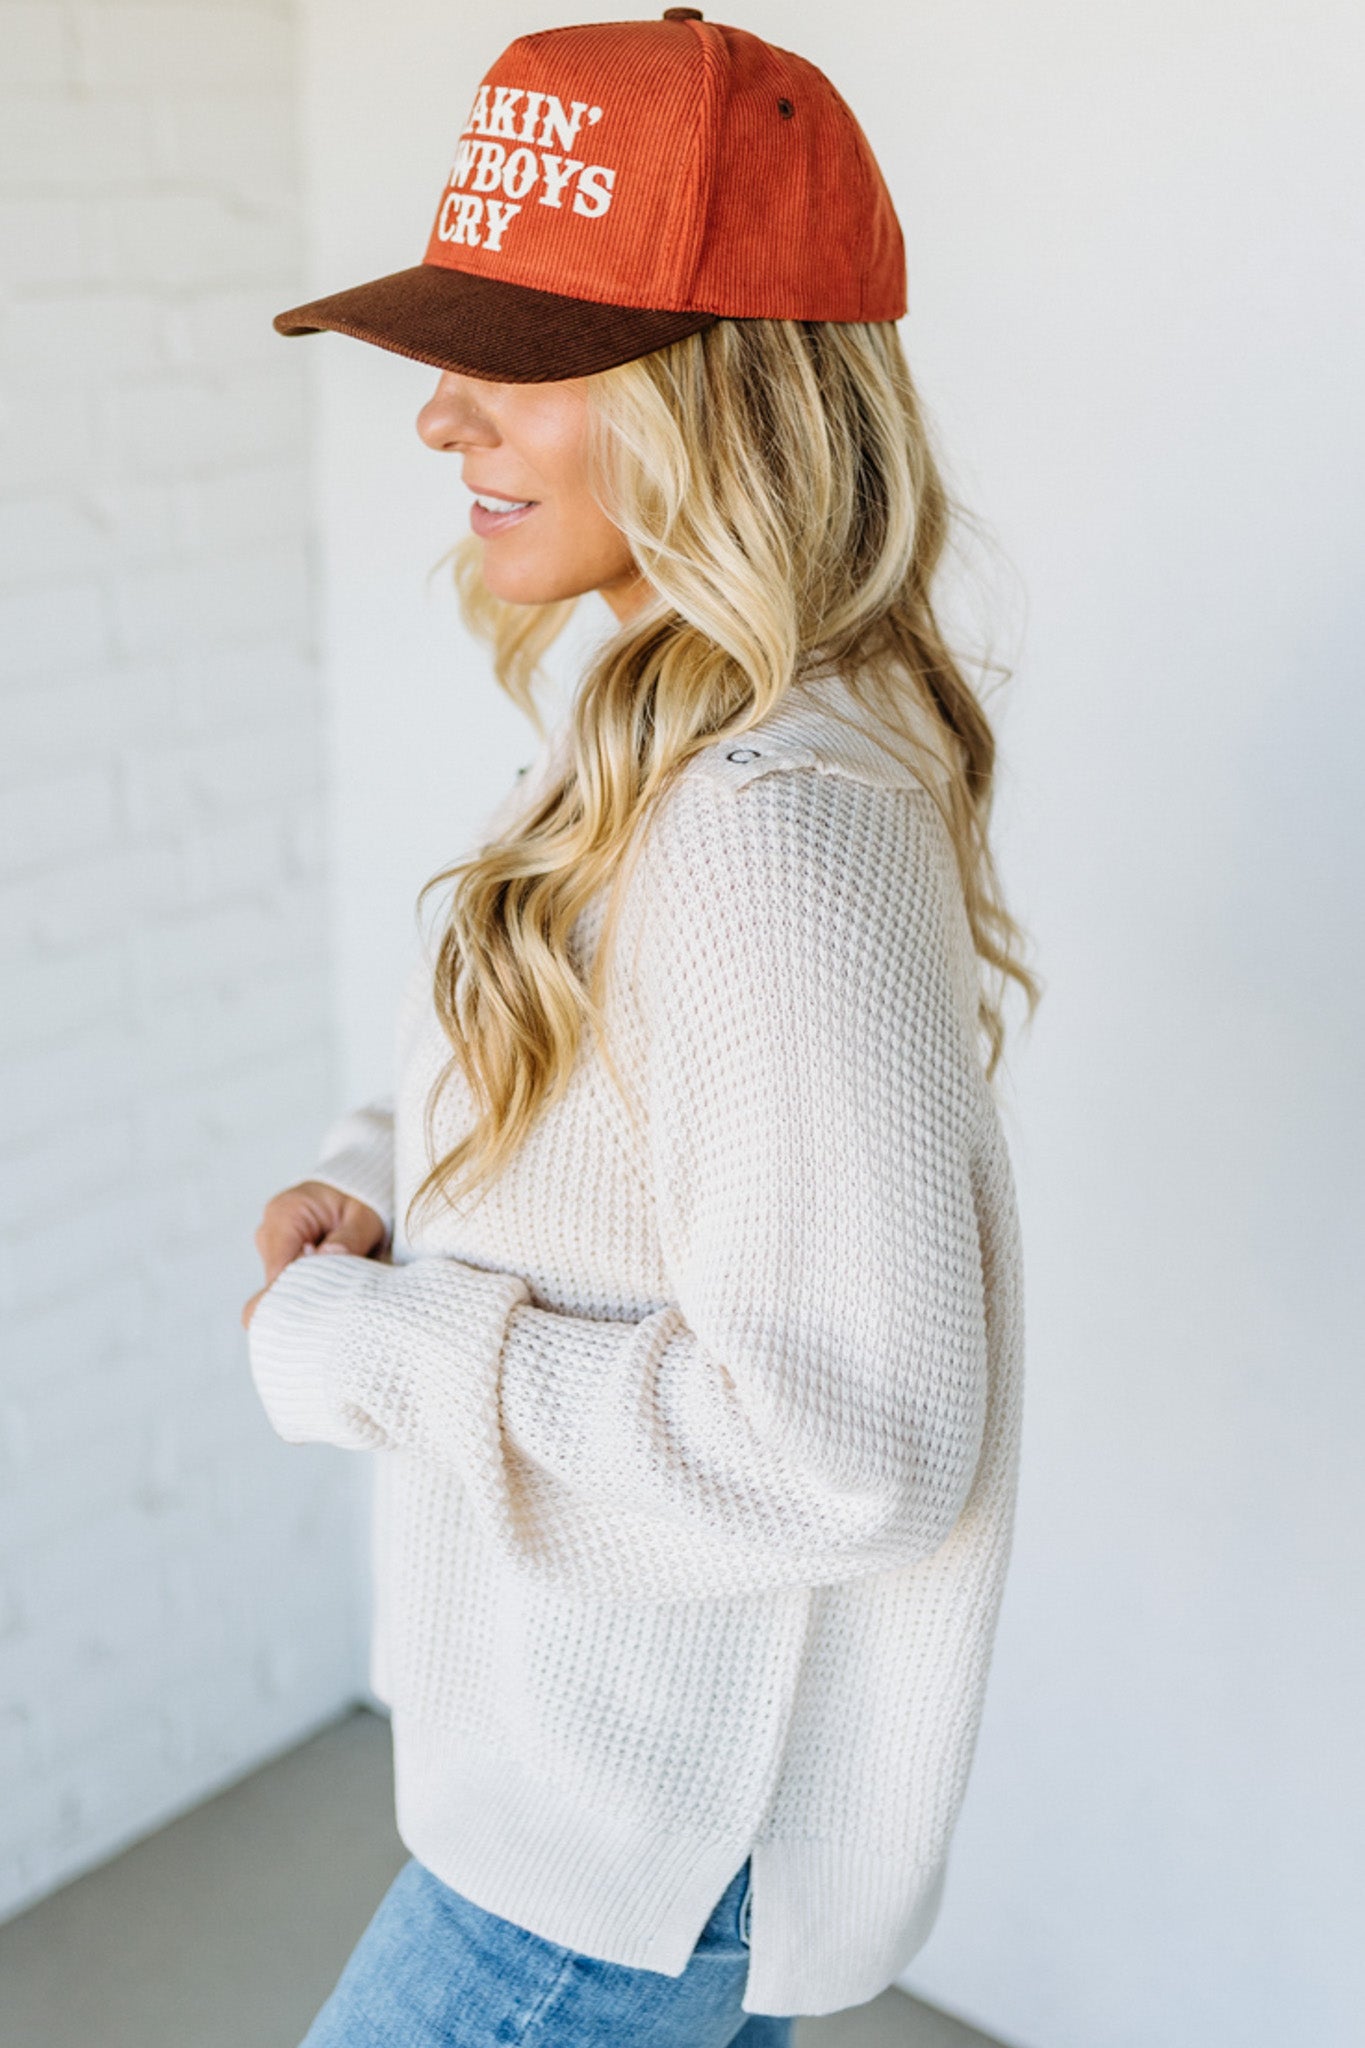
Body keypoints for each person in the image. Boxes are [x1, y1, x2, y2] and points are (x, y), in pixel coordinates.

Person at [242, 12, 1038, 2045]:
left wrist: (380, 1348)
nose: (437, 417)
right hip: (602, 1816)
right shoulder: (666, 727)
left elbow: (844, 1444)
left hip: (612, 1871)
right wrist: (373, 1182)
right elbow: (611, 1136)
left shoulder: (759, 826)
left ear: (725, 398)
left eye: (515, 357)